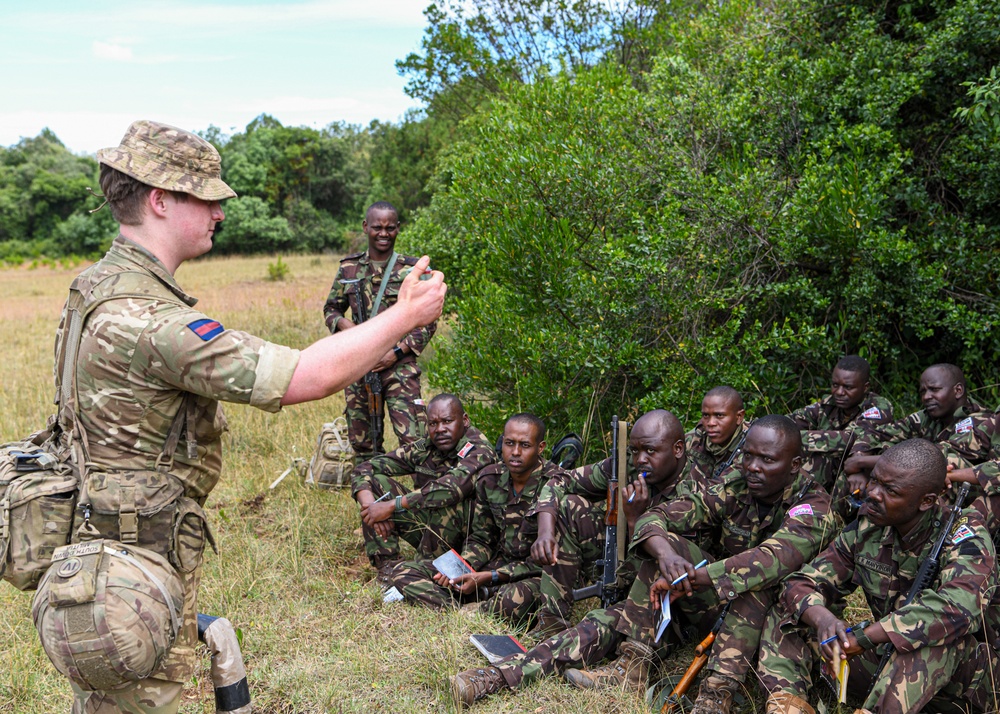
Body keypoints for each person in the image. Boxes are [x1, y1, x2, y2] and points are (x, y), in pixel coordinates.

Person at [52, 120, 445, 713]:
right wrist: (404, 315)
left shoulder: (95, 286)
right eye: (206, 198)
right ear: (160, 200)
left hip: (106, 551)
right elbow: (304, 376)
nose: (220, 212)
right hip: (134, 561)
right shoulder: (149, 320)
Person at [450, 415, 838, 710]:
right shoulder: (735, 483)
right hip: (675, 602)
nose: (752, 468)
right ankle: (500, 676)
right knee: (596, 624)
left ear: (795, 463)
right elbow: (662, 519)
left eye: (766, 460)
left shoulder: (814, 508)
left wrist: (693, 572)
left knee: (753, 586)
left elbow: (769, 562)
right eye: (749, 456)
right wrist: (666, 553)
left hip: (758, 615)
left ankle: (710, 695)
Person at [757, 439, 999, 714]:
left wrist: (866, 636)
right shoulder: (869, 527)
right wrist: (824, 620)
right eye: (874, 481)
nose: (872, 493)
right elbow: (801, 582)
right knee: (792, 609)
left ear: (926, 501)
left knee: (928, 635)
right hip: (888, 666)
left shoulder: (964, 533)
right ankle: (787, 703)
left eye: (889, 490)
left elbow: (958, 609)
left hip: (969, 681)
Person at [527, 410, 712, 637]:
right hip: (619, 561)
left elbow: (668, 563)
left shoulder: (698, 491)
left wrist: (634, 518)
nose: (641, 459)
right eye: (635, 451)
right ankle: (551, 620)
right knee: (570, 506)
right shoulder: (628, 467)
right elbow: (560, 481)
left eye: (651, 450)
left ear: (678, 449)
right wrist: (545, 532)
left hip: (664, 593)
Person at [390, 413, 563, 624]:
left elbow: (552, 561)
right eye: (509, 443)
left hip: (530, 576)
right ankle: (457, 609)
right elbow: (482, 538)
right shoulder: (490, 478)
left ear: (541, 447)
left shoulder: (557, 485)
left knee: (513, 600)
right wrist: (464, 567)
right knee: (403, 572)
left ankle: (477, 607)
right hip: (488, 570)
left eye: (524, 445)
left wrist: (489, 577)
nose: (515, 452)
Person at [322, 201, 436, 462]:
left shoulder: (413, 270)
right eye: (377, 227)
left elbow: (428, 321)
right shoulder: (348, 269)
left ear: (398, 229)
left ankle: (423, 497)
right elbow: (331, 309)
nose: (383, 233)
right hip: (359, 366)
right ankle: (370, 495)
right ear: (366, 227)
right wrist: (347, 328)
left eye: (389, 228)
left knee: (415, 440)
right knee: (363, 443)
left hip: (399, 368)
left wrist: (396, 352)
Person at [352, 393, 497, 579]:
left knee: (445, 502)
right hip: (431, 528)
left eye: (447, 421)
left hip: (472, 540)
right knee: (375, 483)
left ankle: (421, 572)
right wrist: (372, 508)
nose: (440, 429)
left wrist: (390, 506)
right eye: (433, 423)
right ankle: (388, 567)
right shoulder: (425, 447)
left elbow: (450, 489)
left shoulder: (479, 450)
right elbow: (365, 468)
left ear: (465, 420)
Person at [843, 364, 990, 511]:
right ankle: (842, 516)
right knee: (886, 450)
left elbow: (933, 457)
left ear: (958, 391)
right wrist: (858, 460)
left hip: (970, 494)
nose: (926, 397)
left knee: (944, 468)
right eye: (923, 391)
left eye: (934, 390)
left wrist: (861, 462)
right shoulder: (928, 416)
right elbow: (878, 433)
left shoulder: (979, 422)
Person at [789, 355, 894, 493]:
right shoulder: (829, 403)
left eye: (848, 387)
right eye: (835, 385)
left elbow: (851, 439)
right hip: (833, 466)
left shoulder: (878, 408)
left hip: (861, 469)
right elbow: (794, 419)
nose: (839, 392)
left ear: (865, 387)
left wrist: (793, 438)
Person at [686, 386, 748, 481]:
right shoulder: (693, 438)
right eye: (706, 415)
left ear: (739, 417)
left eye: (719, 415)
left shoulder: (753, 446)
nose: (711, 423)